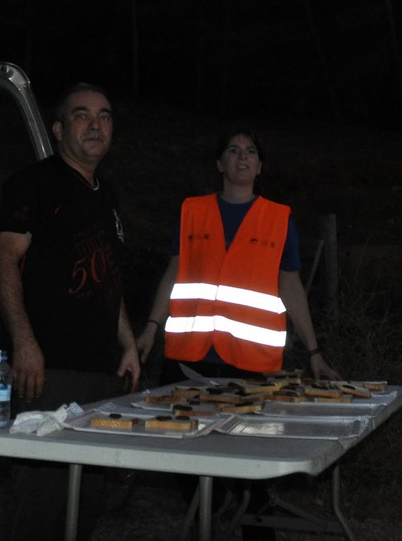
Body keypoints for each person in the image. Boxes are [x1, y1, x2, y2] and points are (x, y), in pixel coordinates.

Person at [0, 83, 141, 541]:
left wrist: (128, 344)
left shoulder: (107, 195)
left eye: (104, 116)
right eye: (81, 115)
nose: (95, 124)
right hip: (49, 371)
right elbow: (2, 261)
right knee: (41, 497)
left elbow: (107, 279)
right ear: (58, 130)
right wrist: (25, 344)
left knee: (85, 499)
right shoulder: (35, 183)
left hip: (99, 372)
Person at [137, 129, 339, 382]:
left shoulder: (279, 220)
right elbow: (174, 274)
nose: (242, 156)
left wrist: (314, 353)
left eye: (250, 151)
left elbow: (291, 286)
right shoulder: (193, 211)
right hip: (188, 359)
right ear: (220, 164)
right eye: (233, 150)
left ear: (259, 167)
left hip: (252, 363)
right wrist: (151, 327)